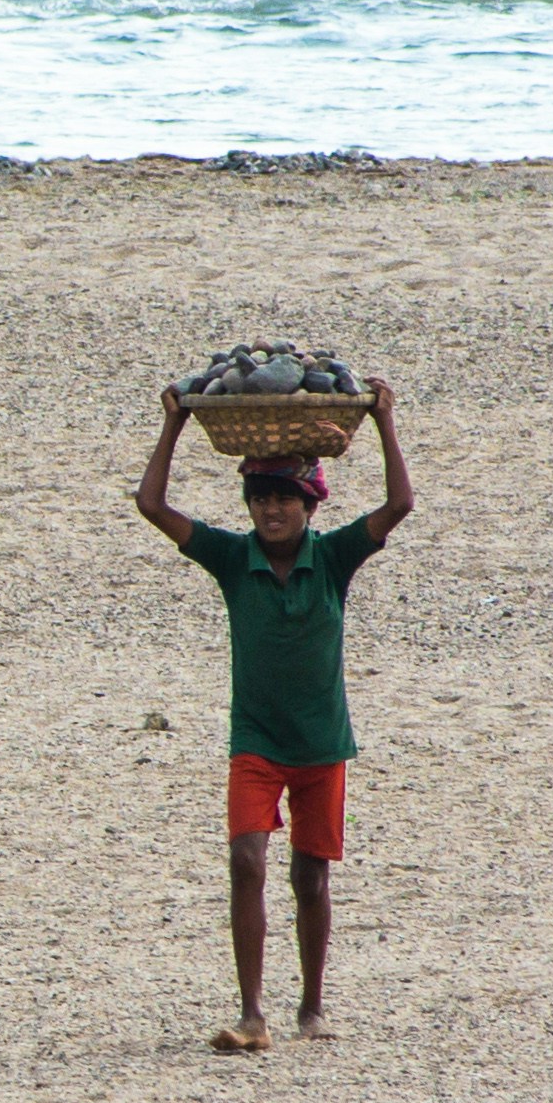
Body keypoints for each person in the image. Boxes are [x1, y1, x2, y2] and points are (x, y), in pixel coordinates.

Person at [131, 381, 418, 1051]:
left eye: (285, 497)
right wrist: (173, 423)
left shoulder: (335, 557)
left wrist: (383, 418)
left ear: (310, 503)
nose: (271, 509)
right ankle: (253, 1013)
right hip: (255, 742)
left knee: (310, 876)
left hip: (321, 743)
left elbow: (400, 503)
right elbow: (151, 504)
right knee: (245, 860)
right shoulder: (234, 560)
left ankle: (311, 1007)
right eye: (260, 498)